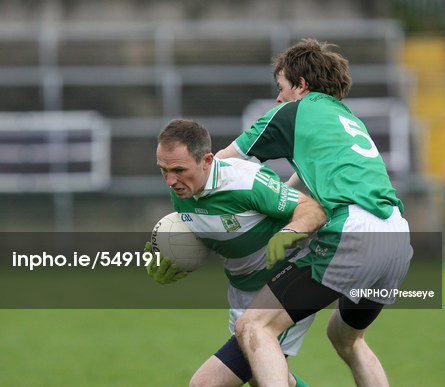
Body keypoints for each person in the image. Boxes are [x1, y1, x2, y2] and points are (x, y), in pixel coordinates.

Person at [215, 38, 413, 386]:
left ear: (300, 85)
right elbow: (302, 186)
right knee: (347, 338)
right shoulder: (344, 119)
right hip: (396, 236)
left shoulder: (292, 113)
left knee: (255, 325)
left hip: (353, 232)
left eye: (281, 87)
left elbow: (216, 169)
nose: (278, 97)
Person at [145, 118, 327, 386]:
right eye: (163, 170)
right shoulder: (182, 191)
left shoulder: (246, 182)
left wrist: (288, 233)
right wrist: (172, 257)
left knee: (205, 384)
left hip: (283, 286)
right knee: (264, 377)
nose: (171, 180)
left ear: (207, 160)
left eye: (179, 170)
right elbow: (213, 234)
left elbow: (312, 210)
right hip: (242, 294)